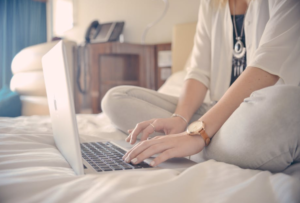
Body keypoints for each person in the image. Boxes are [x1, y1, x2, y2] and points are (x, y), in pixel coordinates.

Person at [102, 0, 300, 173]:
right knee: (116, 99)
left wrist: (198, 134)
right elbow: (198, 70)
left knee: (287, 102)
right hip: (216, 111)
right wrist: (180, 118)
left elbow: (266, 68)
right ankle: (197, 142)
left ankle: (193, 143)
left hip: (260, 113)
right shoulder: (211, 3)